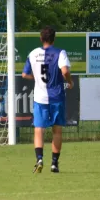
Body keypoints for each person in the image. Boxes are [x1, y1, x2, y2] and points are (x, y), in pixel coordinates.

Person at [22, 26, 73, 173]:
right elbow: (65, 71)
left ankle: (39, 159)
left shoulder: (33, 54)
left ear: (41, 38)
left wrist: (37, 78)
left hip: (40, 97)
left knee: (39, 129)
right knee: (57, 130)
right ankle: (54, 164)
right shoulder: (60, 53)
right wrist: (69, 82)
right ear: (54, 38)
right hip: (57, 97)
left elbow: (24, 75)